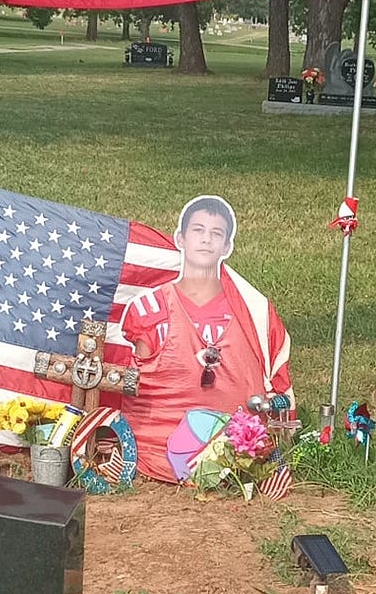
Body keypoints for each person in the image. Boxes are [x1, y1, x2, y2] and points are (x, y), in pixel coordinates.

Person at [119, 195, 293, 482]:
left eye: (216, 233)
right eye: (198, 230)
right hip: (156, 457)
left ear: (227, 246)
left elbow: (277, 385)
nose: (206, 240)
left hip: (238, 458)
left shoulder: (254, 312)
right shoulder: (150, 308)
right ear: (180, 238)